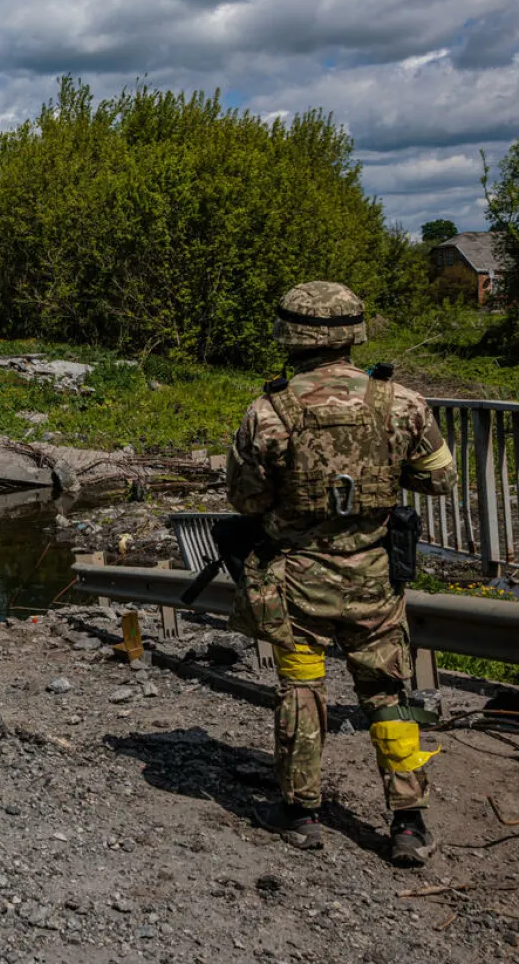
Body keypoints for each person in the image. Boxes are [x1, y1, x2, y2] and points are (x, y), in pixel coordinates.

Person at [226, 281, 457, 866]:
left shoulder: (268, 410)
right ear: (355, 332)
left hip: (298, 582)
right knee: (387, 693)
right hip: (375, 582)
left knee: (301, 687)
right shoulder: (401, 403)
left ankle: (301, 813)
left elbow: (245, 498)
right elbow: (440, 478)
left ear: (289, 335)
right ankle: (408, 822)